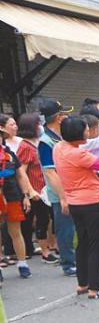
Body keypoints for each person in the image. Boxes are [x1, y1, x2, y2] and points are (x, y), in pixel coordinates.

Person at [53, 115, 99, 298]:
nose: (87, 131)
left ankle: (83, 283)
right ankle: (96, 288)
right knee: (98, 244)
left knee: (83, 243)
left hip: (75, 203)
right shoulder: (78, 154)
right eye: (85, 129)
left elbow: (86, 144)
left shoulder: (59, 147)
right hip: (91, 202)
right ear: (79, 134)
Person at [38, 99, 77, 276]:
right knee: (65, 229)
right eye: (64, 114)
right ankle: (68, 263)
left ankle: (81, 259)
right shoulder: (46, 141)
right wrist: (62, 197)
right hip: (61, 193)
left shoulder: (61, 136)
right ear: (59, 118)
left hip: (74, 189)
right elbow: (50, 173)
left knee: (78, 227)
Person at [0, 114, 41, 279]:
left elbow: (20, 175)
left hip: (12, 195)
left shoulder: (9, 153)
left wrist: (26, 194)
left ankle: (22, 263)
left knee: (15, 230)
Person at [15, 113, 56, 264]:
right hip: (36, 190)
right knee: (42, 220)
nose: (40, 126)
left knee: (48, 218)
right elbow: (22, 172)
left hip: (45, 188)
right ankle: (45, 251)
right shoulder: (25, 146)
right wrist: (29, 191)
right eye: (38, 124)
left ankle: (50, 247)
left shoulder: (38, 142)